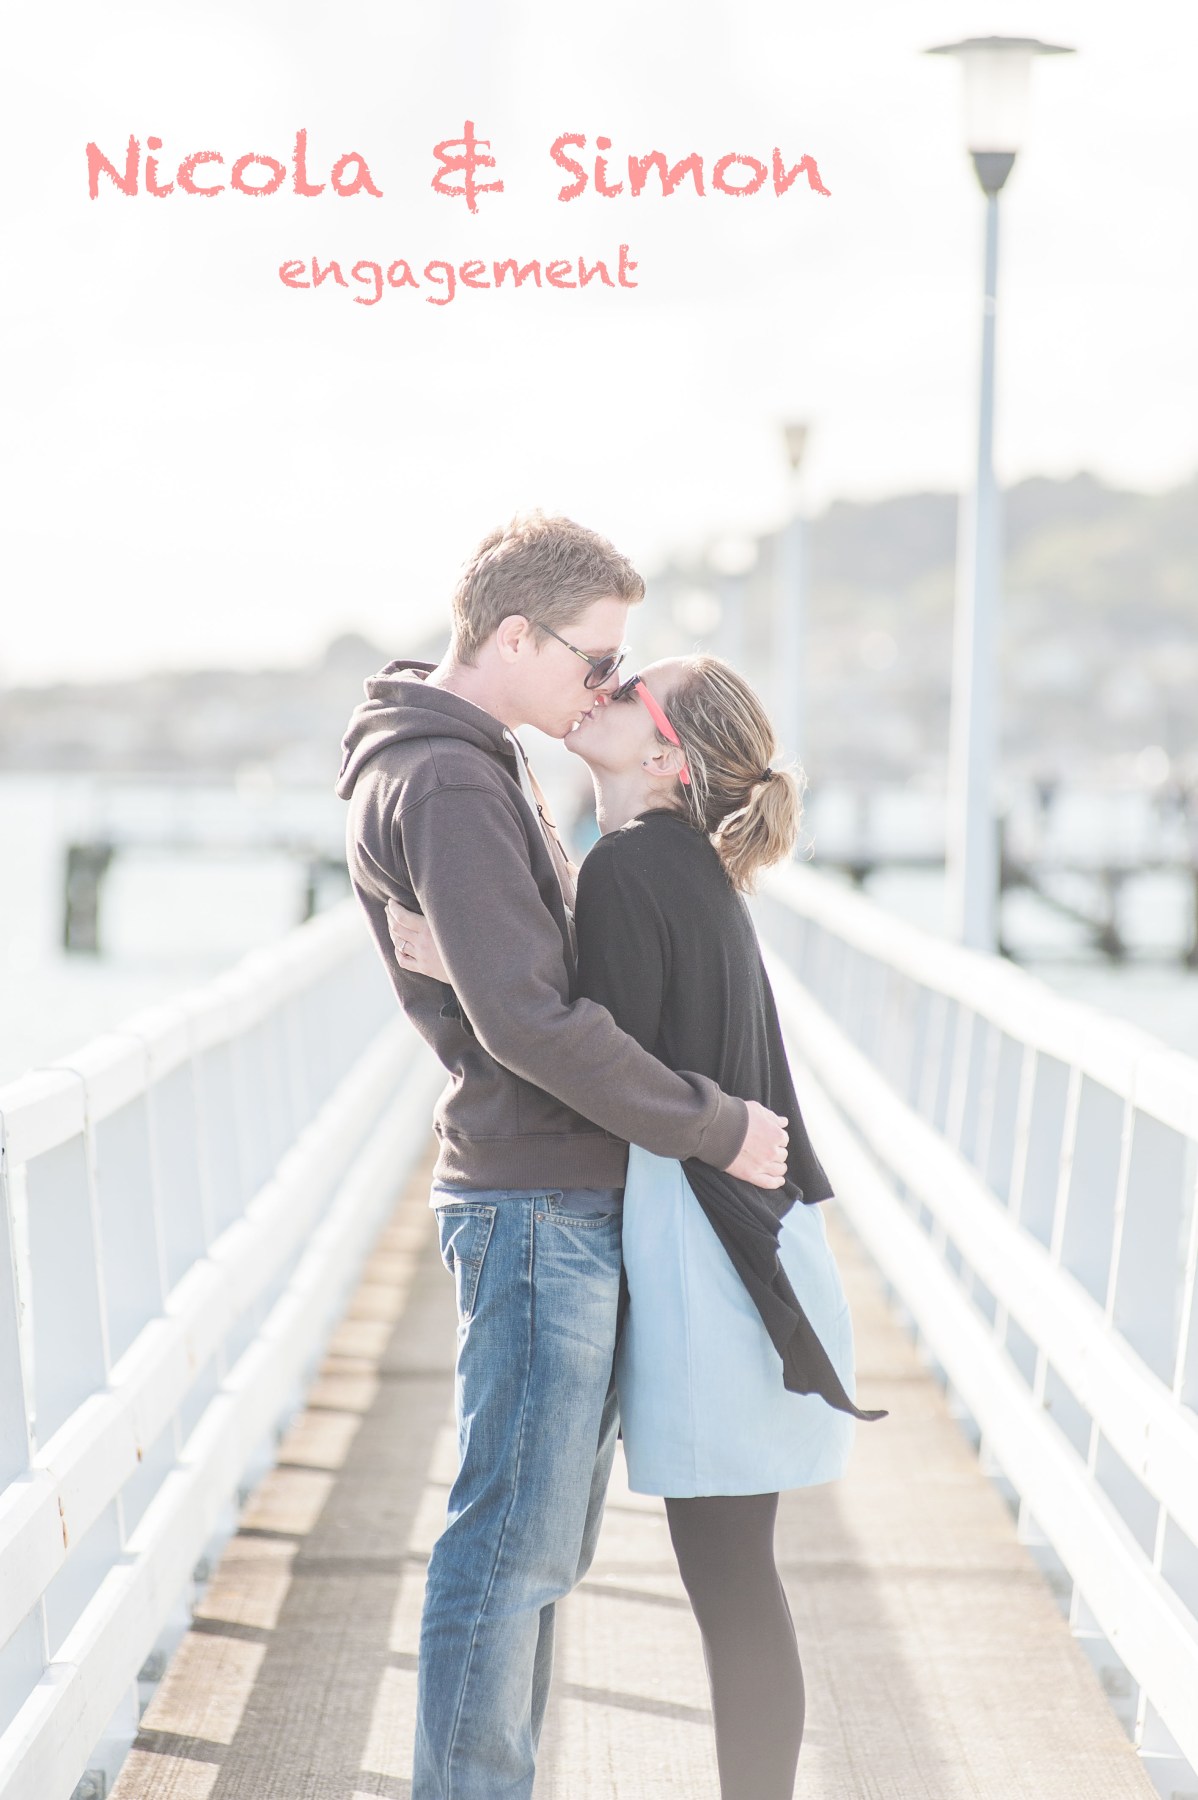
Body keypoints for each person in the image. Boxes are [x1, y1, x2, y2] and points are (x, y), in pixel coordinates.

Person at [335, 511, 790, 1800]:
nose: (602, 680)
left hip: (547, 1190)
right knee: (511, 1554)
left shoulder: (467, 763)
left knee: (536, 1554)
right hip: (535, 1199)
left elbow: (510, 983)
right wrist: (713, 1123)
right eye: (593, 654)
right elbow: (530, 1017)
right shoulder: (452, 778)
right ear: (516, 634)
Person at [391, 646, 888, 1799]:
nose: (598, 692)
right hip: (750, 1247)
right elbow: (612, 1024)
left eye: (624, 690)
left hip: (717, 1261)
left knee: (729, 1581)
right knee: (735, 1577)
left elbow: (583, 1057)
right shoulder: (667, 868)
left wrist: (465, 972)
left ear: (666, 754)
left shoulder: (628, 867)